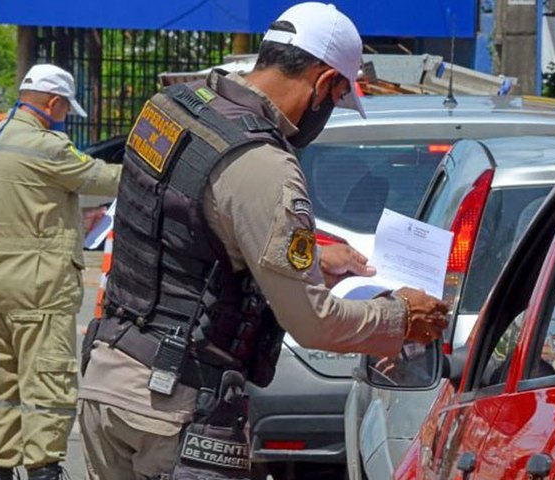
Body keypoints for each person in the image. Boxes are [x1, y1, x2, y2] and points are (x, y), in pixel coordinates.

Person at [78, 3, 448, 479]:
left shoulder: (172, 109)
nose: (328, 112)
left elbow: (184, 236)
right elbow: (313, 324)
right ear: (324, 83)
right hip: (173, 411)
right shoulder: (263, 163)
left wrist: (311, 256)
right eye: (336, 99)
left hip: (108, 381)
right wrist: (401, 318)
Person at [0, 64, 123, 480]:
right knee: (48, 385)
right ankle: (43, 470)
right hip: (40, 286)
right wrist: (152, 168)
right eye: (64, 108)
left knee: (3, 386)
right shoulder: (48, 147)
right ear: (53, 103)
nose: (64, 115)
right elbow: (104, 179)